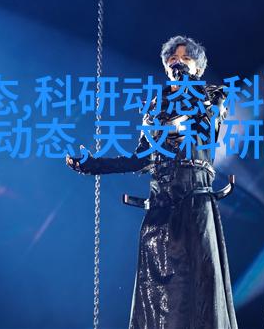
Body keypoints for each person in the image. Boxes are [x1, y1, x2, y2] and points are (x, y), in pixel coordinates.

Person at [65, 35, 238, 329]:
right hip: (160, 208)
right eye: (172, 59)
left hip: (195, 202)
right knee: (157, 296)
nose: (177, 63)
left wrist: (184, 95)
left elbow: (204, 127)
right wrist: (93, 165)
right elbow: (140, 159)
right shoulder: (155, 107)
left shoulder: (212, 95)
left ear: (198, 68)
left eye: (185, 59)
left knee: (199, 287)